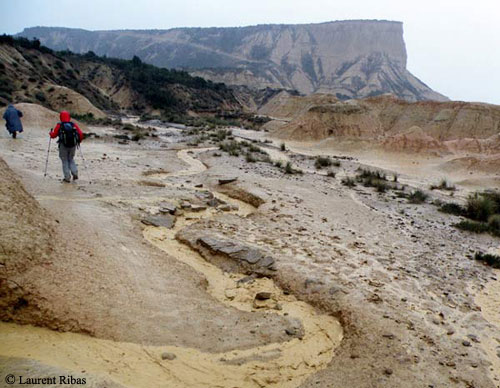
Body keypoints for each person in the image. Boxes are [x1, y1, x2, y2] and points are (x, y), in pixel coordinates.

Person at [49, 111, 84, 183]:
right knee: (71, 159)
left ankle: (67, 177)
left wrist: (50, 133)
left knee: (64, 160)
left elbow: (53, 136)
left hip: (63, 145)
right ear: (69, 117)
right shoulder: (73, 125)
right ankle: (75, 173)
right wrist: (78, 142)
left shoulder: (59, 125)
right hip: (73, 145)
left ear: (61, 117)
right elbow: (80, 134)